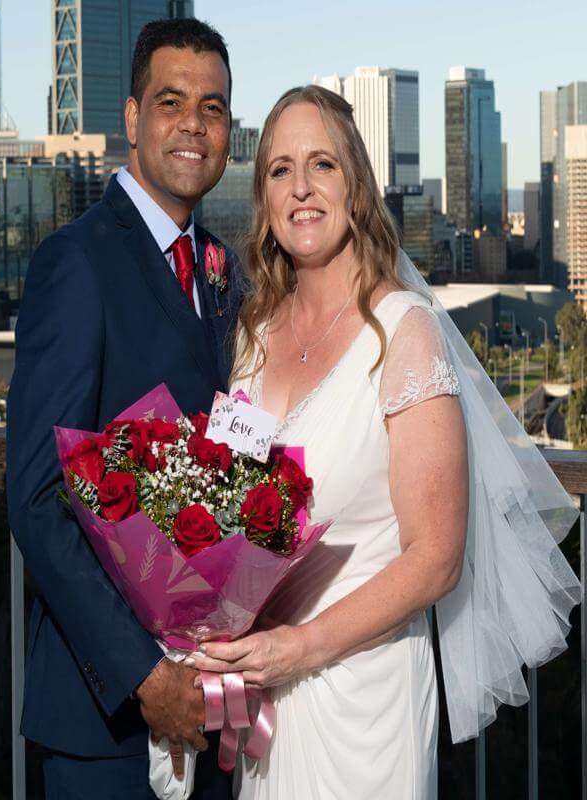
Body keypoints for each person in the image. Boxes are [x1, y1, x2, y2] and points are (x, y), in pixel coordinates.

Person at [192, 86, 581, 799]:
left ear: (357, 187)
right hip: (261, 695)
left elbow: (436, 559)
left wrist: (296, 649)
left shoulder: (404, 332)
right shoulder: (252, 332)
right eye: (280, 169)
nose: (301, 188)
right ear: (263, 196)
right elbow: (228, 505)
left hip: (362, 702)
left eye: (322, 165)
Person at [7, 18, 242, 800]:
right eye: (171, 102)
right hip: (102, 718)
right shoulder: (76, 261)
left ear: (228, 132)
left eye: (212, 108)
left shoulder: (220, 271)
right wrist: (143, 675)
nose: (193, 125)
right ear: (134, 118)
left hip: (209, 699)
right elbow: (39, 499)